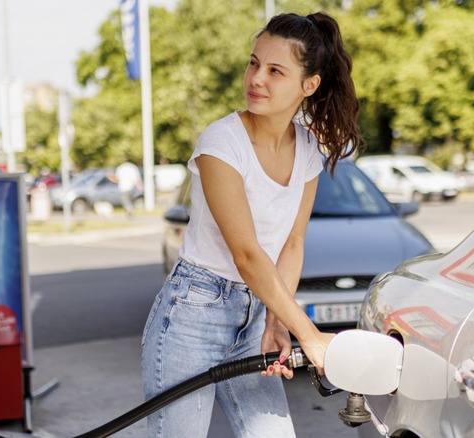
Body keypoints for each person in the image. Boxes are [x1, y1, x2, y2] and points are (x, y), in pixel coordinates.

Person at [141, 11, 362, 437]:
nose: (256, 78)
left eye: (276, 70)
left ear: (308, 85)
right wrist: (310, 335)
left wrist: (277, 323)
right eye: (253, 63)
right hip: (191, 315)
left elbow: (292, 243)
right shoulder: (221, 143)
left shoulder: (308, 150)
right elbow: (246, 254)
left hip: (255, 317)